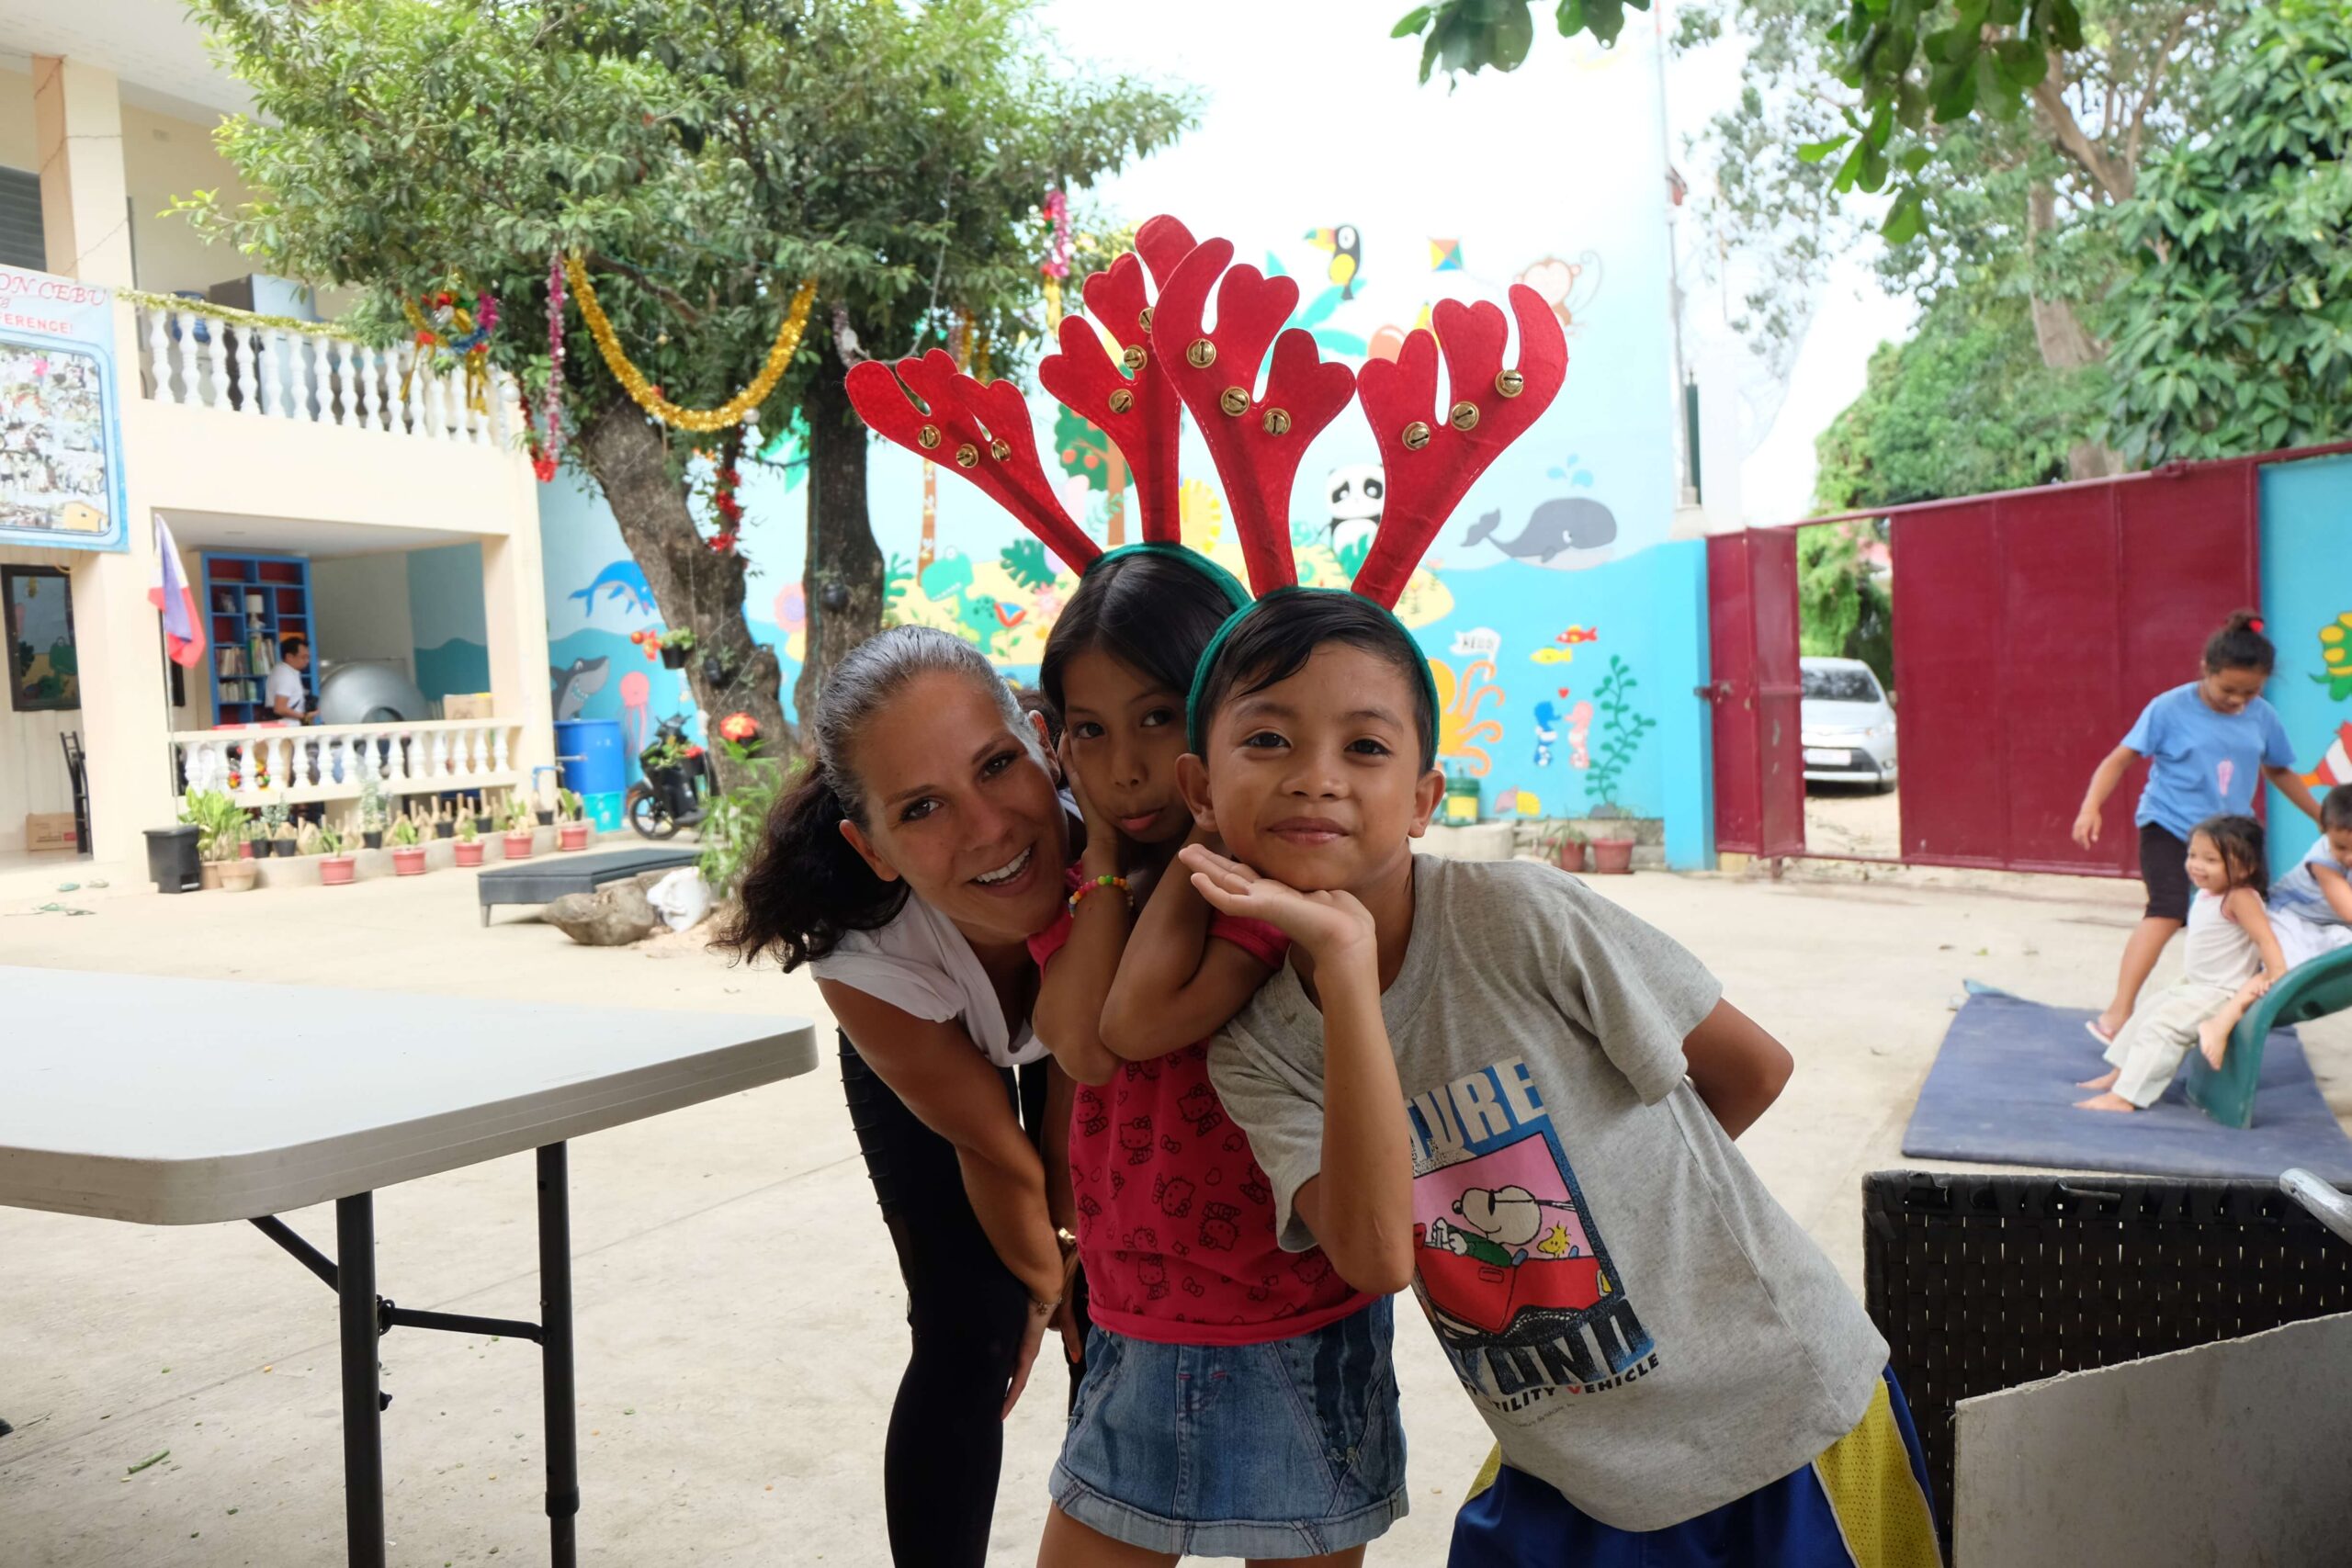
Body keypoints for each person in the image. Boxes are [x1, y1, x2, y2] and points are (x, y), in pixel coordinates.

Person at [1176, 591, 1941, 1566]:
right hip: (1569, 1467)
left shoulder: (1518, 916)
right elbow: (1375, 1256)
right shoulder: (1257, 1049)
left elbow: (1752, 1068)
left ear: (1424, 797)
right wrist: (1344, 963)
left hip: (1777, 1420)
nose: (1315, 777)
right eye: (1268, 740)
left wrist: (1627, 1198)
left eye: (1364, 746)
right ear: (1202, 789)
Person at [1023, 549, 1405, 1565]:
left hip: (1294, 1324)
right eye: (1090, 732)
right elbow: (1075, 1044)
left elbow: (1133, 1027)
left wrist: (1196, 849)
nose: (1123, 768)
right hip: (1137, 1319)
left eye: (1156, 718)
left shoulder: (1273, 892)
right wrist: (1108, 866)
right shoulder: (1090, 893)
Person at [720, 626, 1083, 1568]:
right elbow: (996, 1151)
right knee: (971, 1327)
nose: (988, 829)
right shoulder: (865, 950)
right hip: (931, 1047)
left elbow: (1070, 1112)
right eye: (921, 807)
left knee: (1114, 1303)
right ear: (870, 847)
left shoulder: (1119, 854)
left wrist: (1074, 1264)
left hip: (1090, 1031)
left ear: (1045, 744)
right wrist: (1038, 1290)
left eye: (997, 764)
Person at [2073, 612, 2323, 1044]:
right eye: (2228, 690)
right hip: (2169, 825)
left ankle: (2238, 1009)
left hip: (2231, 836)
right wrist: (2090, 806)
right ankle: (2118, 1013)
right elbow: (2120, 758)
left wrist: (2320, 816)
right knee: (2167, 910)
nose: (2238, 701)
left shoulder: (2262, 716)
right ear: (2206, 669)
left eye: (2250, 692)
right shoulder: (2168, 708)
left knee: (2250, 916)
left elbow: (2279, 770)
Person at [2076, 815, 2285, 1109]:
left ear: (2246, 867)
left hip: (2219, 992)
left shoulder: (2240, 897)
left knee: (2162, 1029)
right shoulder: (2208, 892)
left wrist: (2276, 972)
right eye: (2193, 855)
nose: (2196, 865)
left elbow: (2265, 939)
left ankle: (2126, 1096)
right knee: (2145, 1015)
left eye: (2210, 860)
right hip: (2196, 984)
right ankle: (2119, 1075)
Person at [2265, 784, 2352, 971]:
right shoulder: (2323, 861)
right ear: (2324, 831)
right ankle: (2264, 984)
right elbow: (2349, 910)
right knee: (2291, 967)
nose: (2349, 857)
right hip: (2291, 916)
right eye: (2340, 847)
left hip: (2330, 923)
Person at [266, 634, 317, 723]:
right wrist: (305, 716)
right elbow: (280, 708)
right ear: (289, 657)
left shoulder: (284, 670)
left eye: (308, 657)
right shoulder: (285, 675)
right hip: (287, 726)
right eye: (303, 657)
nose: (307, 661)